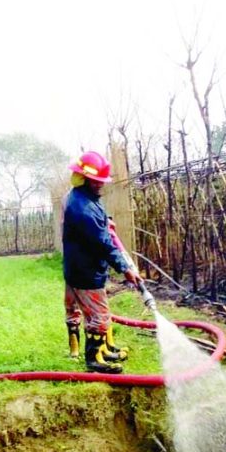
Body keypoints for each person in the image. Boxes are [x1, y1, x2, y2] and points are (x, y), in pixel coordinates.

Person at [61, 150, 142, 374]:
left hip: (80, 267)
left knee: (96, 314)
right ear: (84, 178)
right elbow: (103, 244)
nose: (101, 185)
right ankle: (94, 360)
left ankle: (103, 351)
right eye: (97, 181)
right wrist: (125, 268)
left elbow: (98, 229)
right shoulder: (83, 209)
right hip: (85, 272)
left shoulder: (80, 198)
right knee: (99, 316)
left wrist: (105, 222)